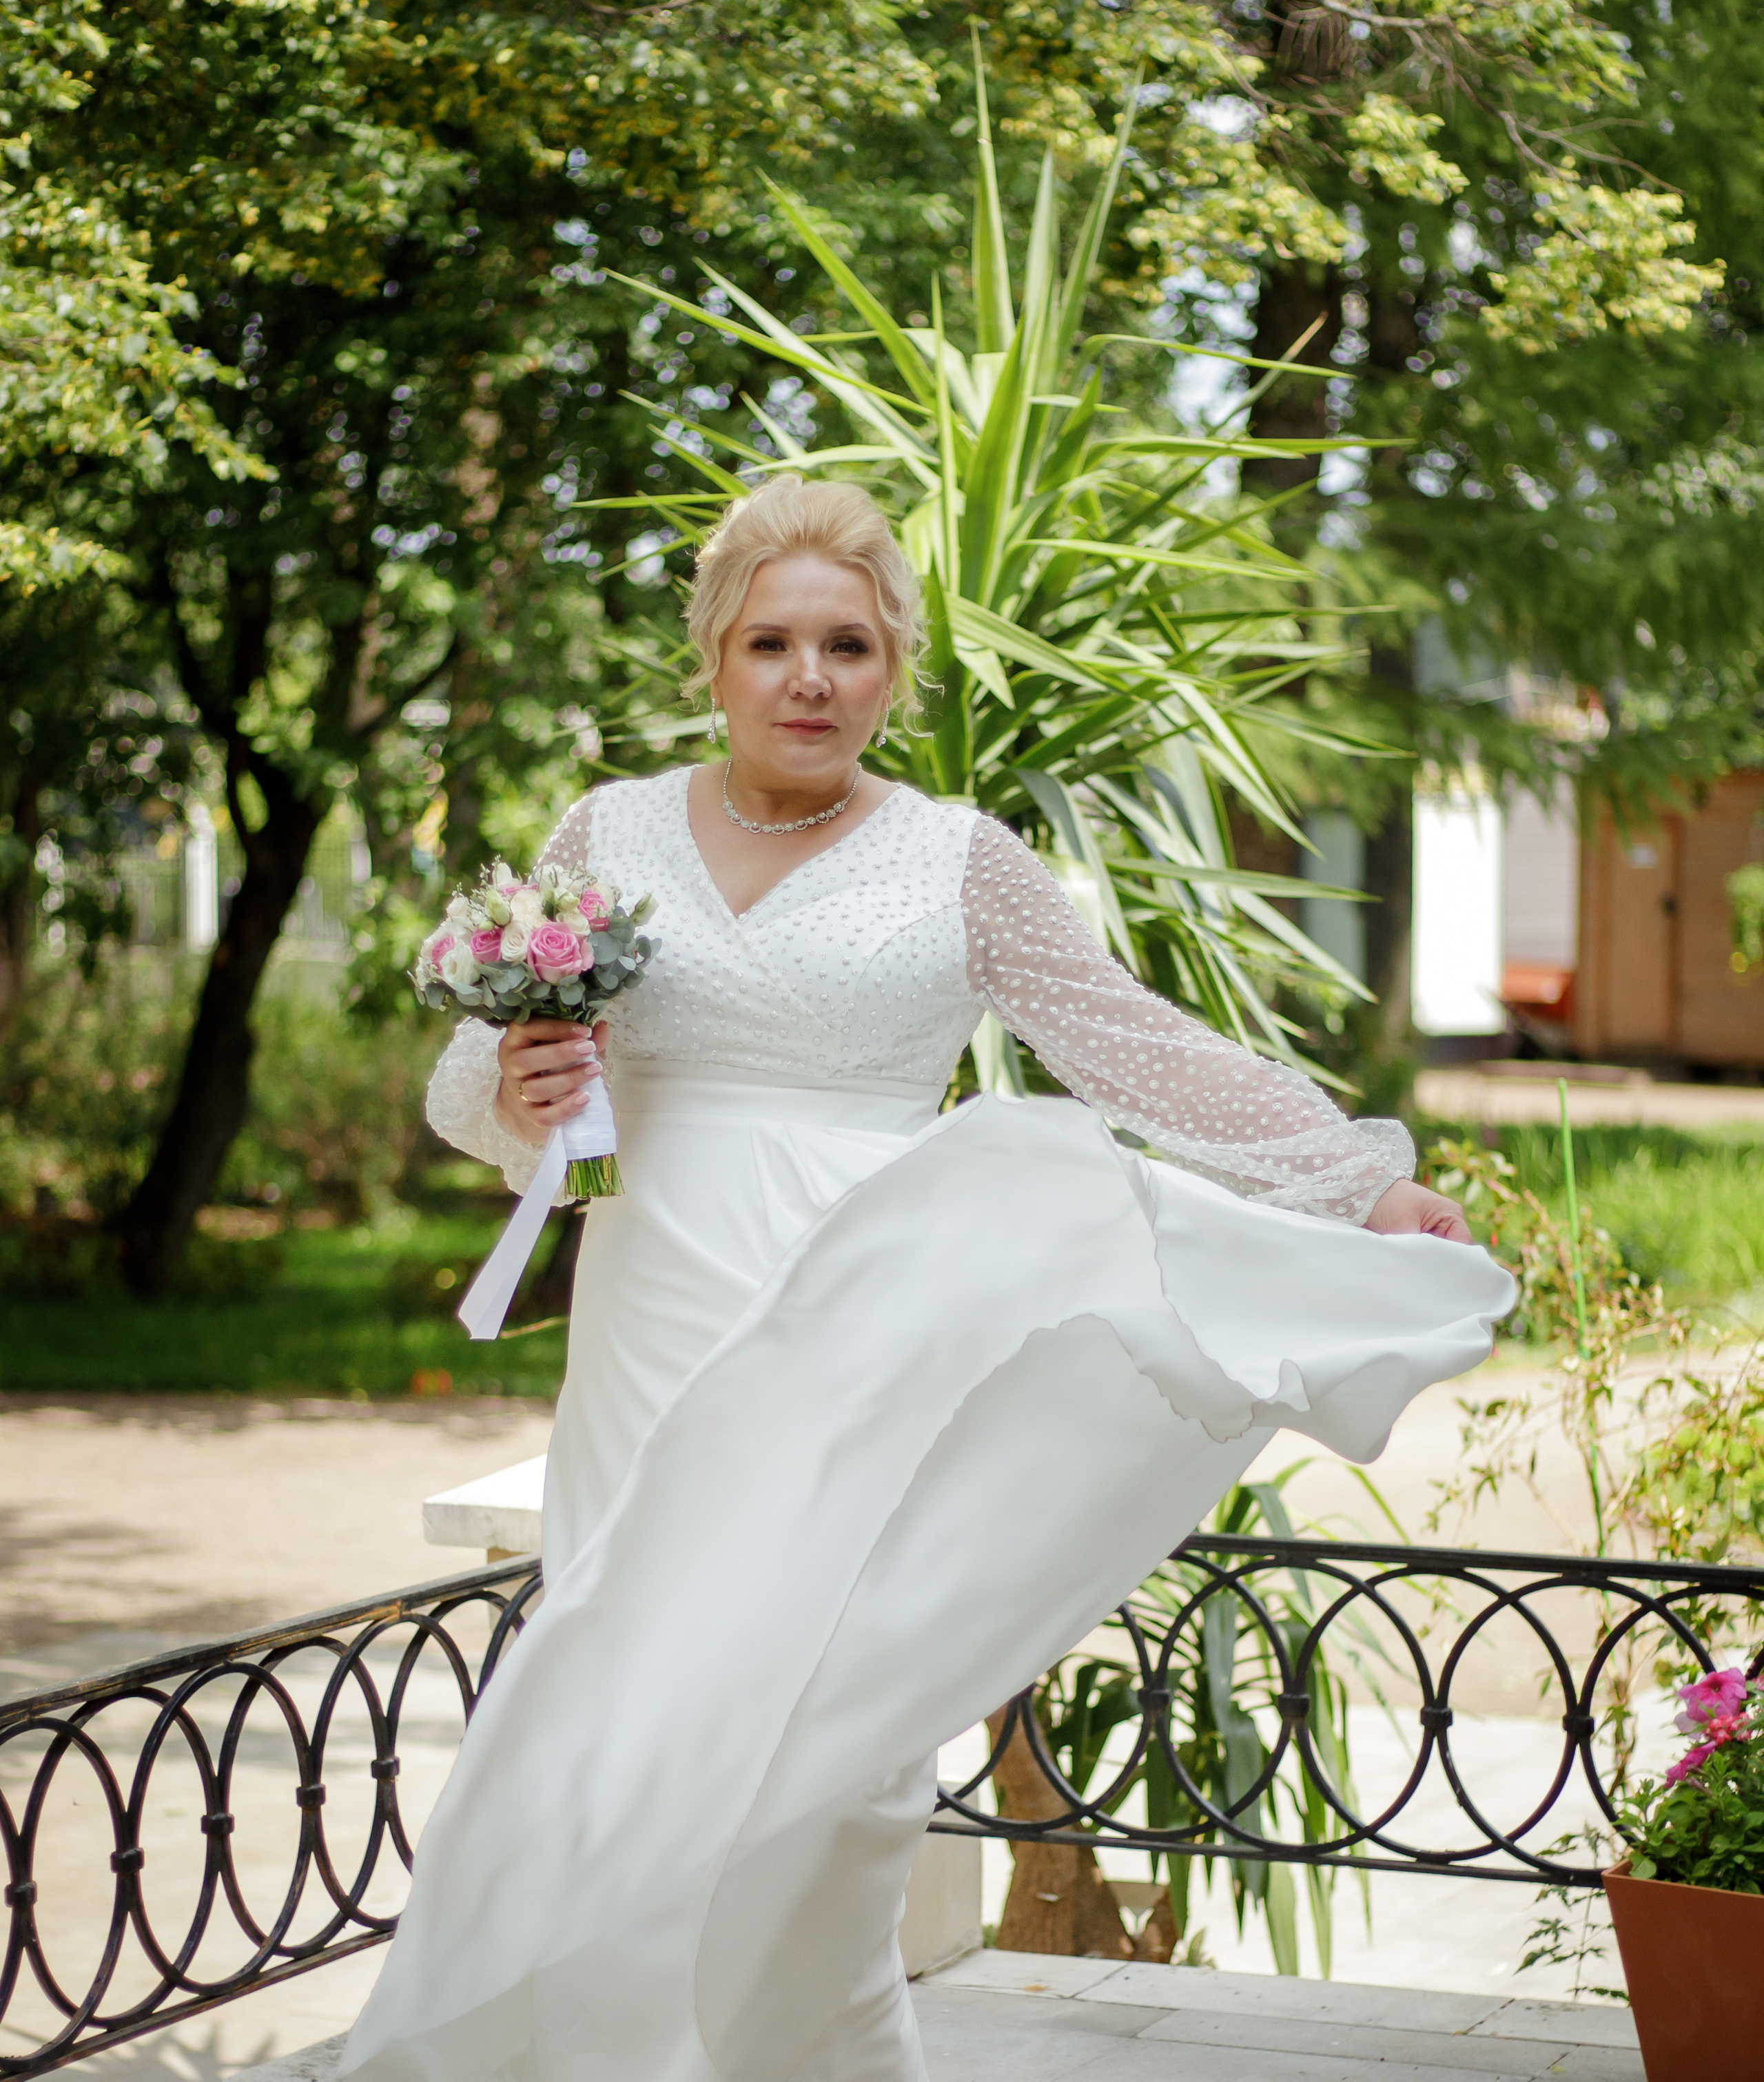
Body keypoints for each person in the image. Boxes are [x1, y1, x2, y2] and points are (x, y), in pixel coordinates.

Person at [341, 476, 1511, 2082]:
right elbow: (472, 1090)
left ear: (893, 668)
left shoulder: (958, 860)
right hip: (654, 1319)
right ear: (712, 657)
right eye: (770, 643)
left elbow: (1135, 1048)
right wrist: (518, 1089)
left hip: (871, 1334)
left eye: (847, 644)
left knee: (837, 1763)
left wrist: (1360, 1183)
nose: (807, 678)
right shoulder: (601, 835)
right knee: (627, 1710)